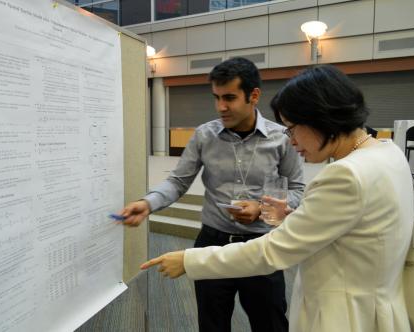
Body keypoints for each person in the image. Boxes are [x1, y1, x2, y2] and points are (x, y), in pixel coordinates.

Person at [141, 64, 414, 332]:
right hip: (376, 304)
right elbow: (359, 228)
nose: (291, 140)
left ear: (319, 117)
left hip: (344, 313)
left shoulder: (344, 174)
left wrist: (189, 260)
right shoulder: (388, 153)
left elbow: (272, 250)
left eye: (292, 128)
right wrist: (296, 217)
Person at [118, 57, 304, 332]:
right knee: (212, 324)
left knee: (270, 323)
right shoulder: (205, 135)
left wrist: (262, 208)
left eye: (229, 97)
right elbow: (177, 182)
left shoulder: (282, 137)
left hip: (262, 246)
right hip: (211, 243)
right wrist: (148, 203)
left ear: (253, 96)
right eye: (216, 97)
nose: (221, 107)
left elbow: (298, 190)